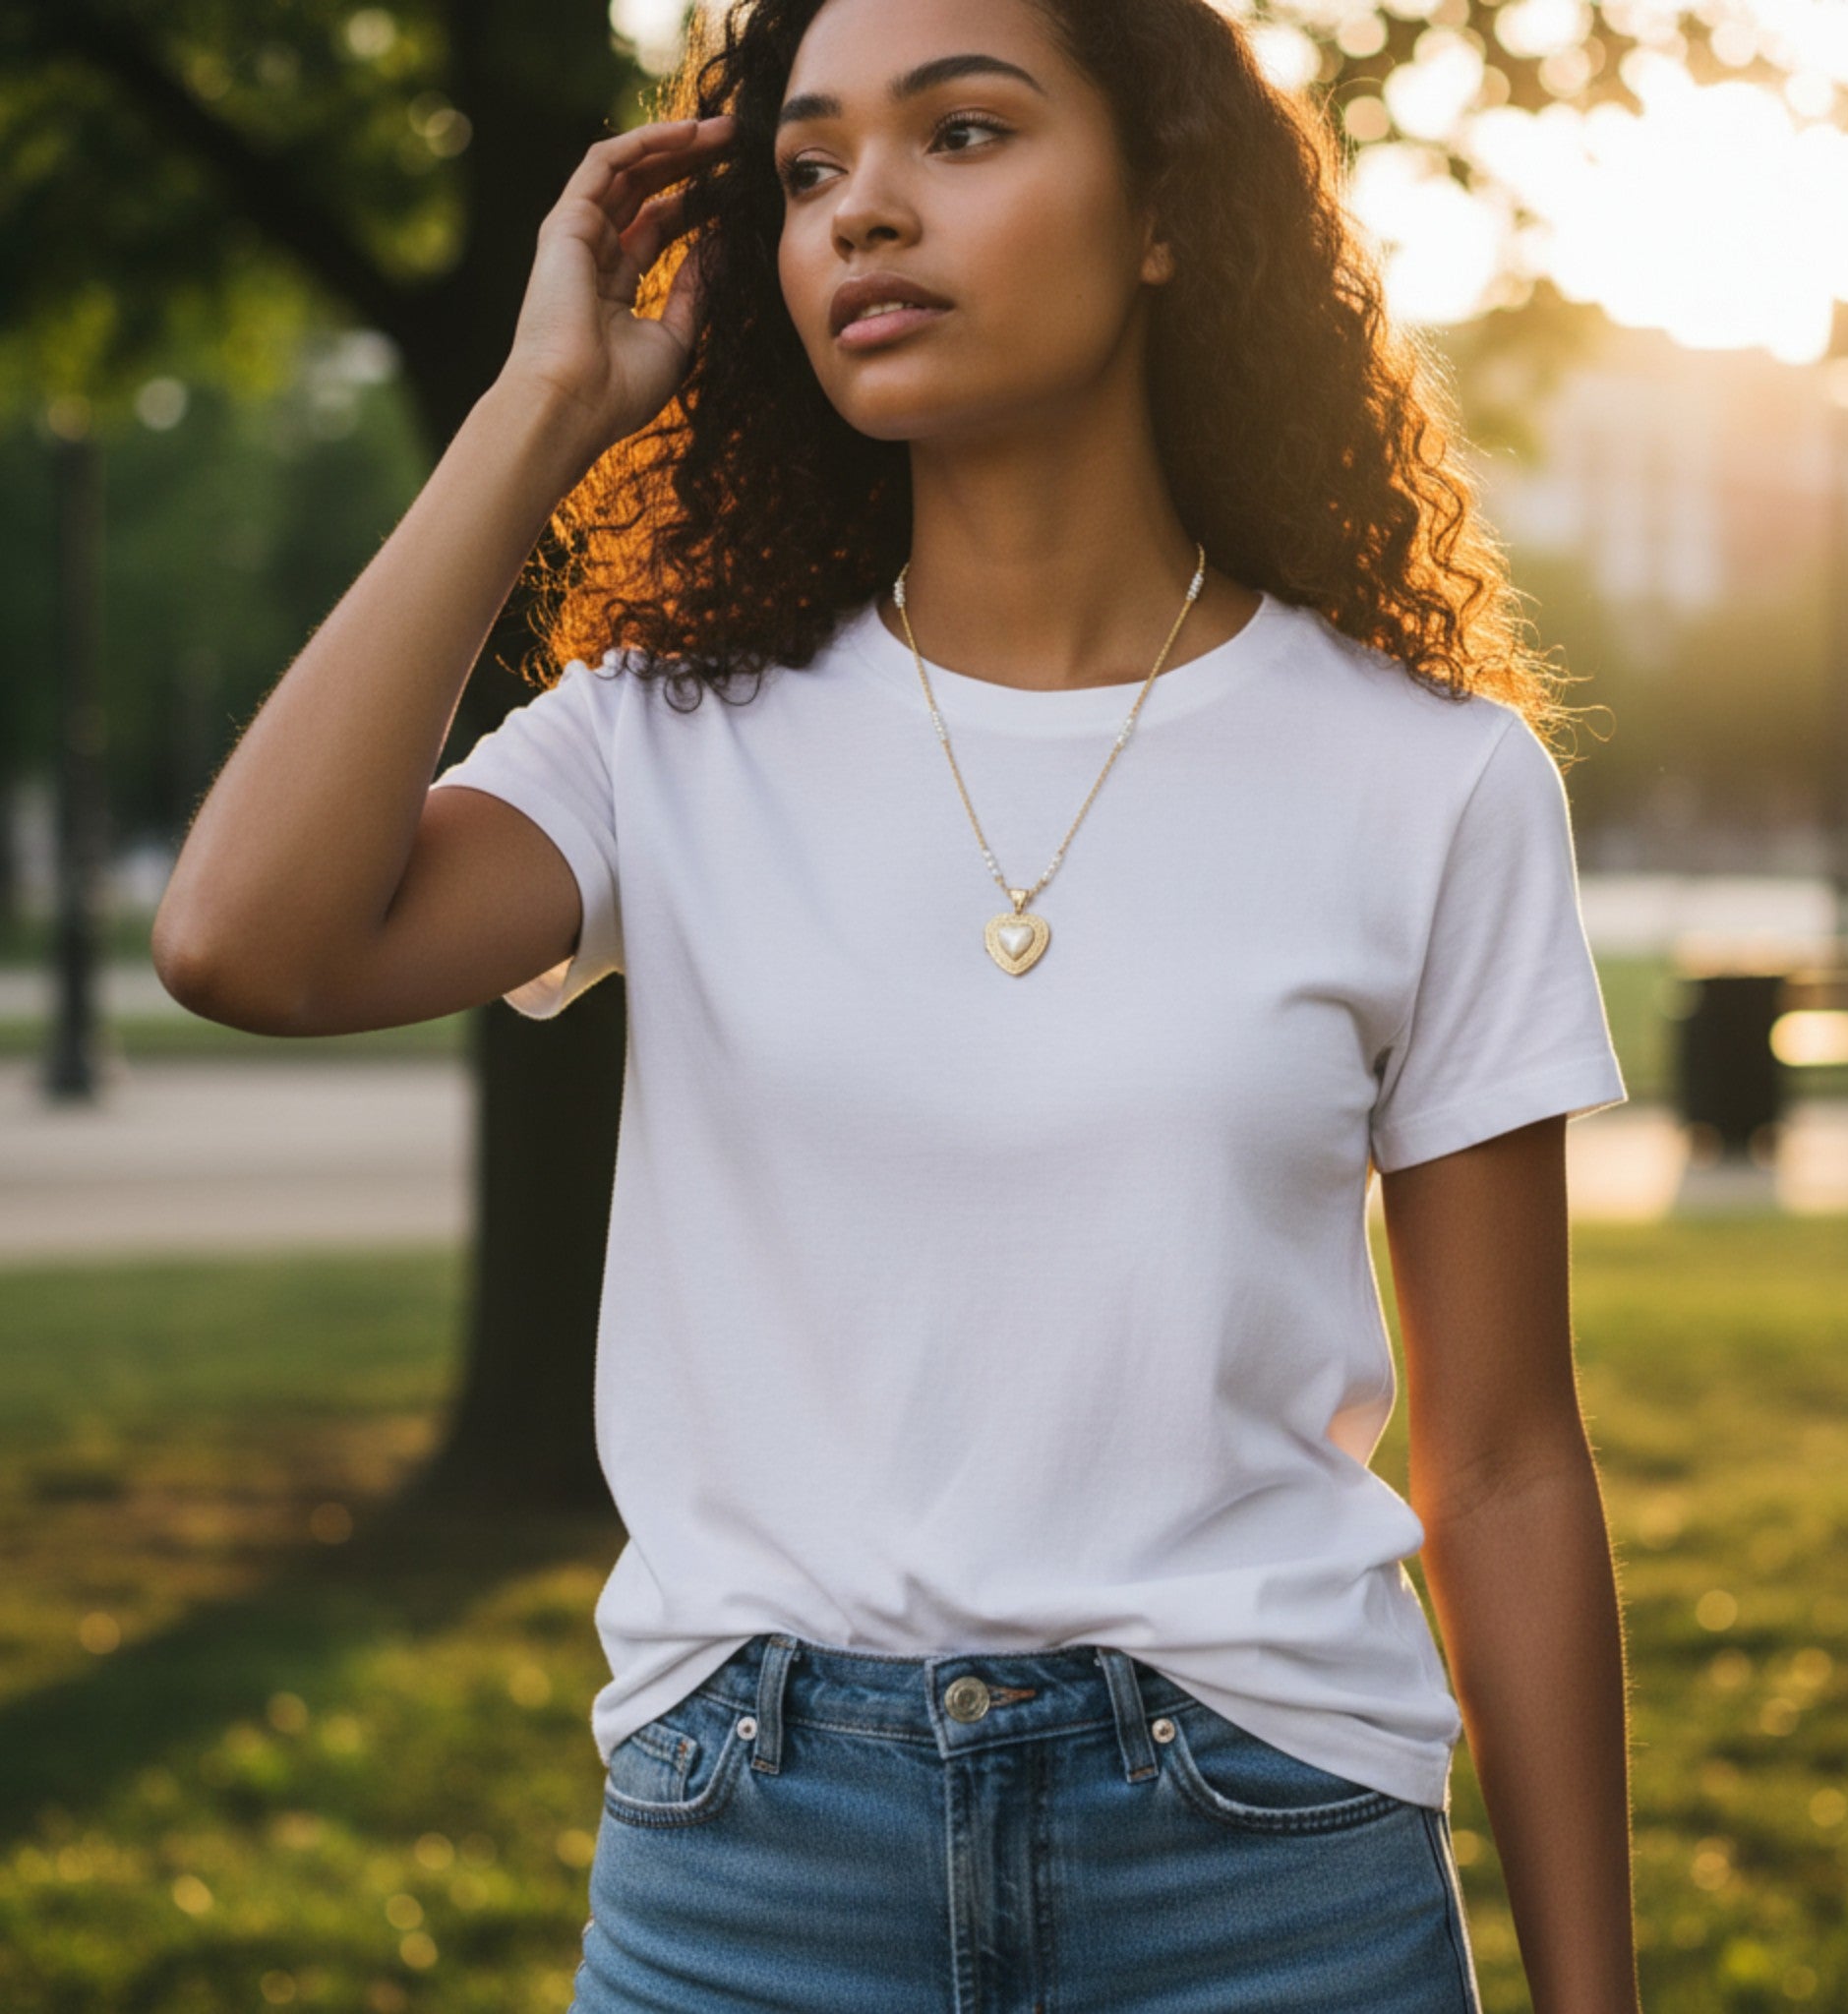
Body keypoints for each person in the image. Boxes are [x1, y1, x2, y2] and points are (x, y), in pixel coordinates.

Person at [152, 0, 1643, 2007]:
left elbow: (1510, 1461)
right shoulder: (665, 737)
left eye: (961, 133)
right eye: (806, 168)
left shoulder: (1430, 778)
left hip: (1262, 1868)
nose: (862, 210)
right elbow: (249, 943)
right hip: (751, 1868)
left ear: (1164, 215)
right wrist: (541, 409)